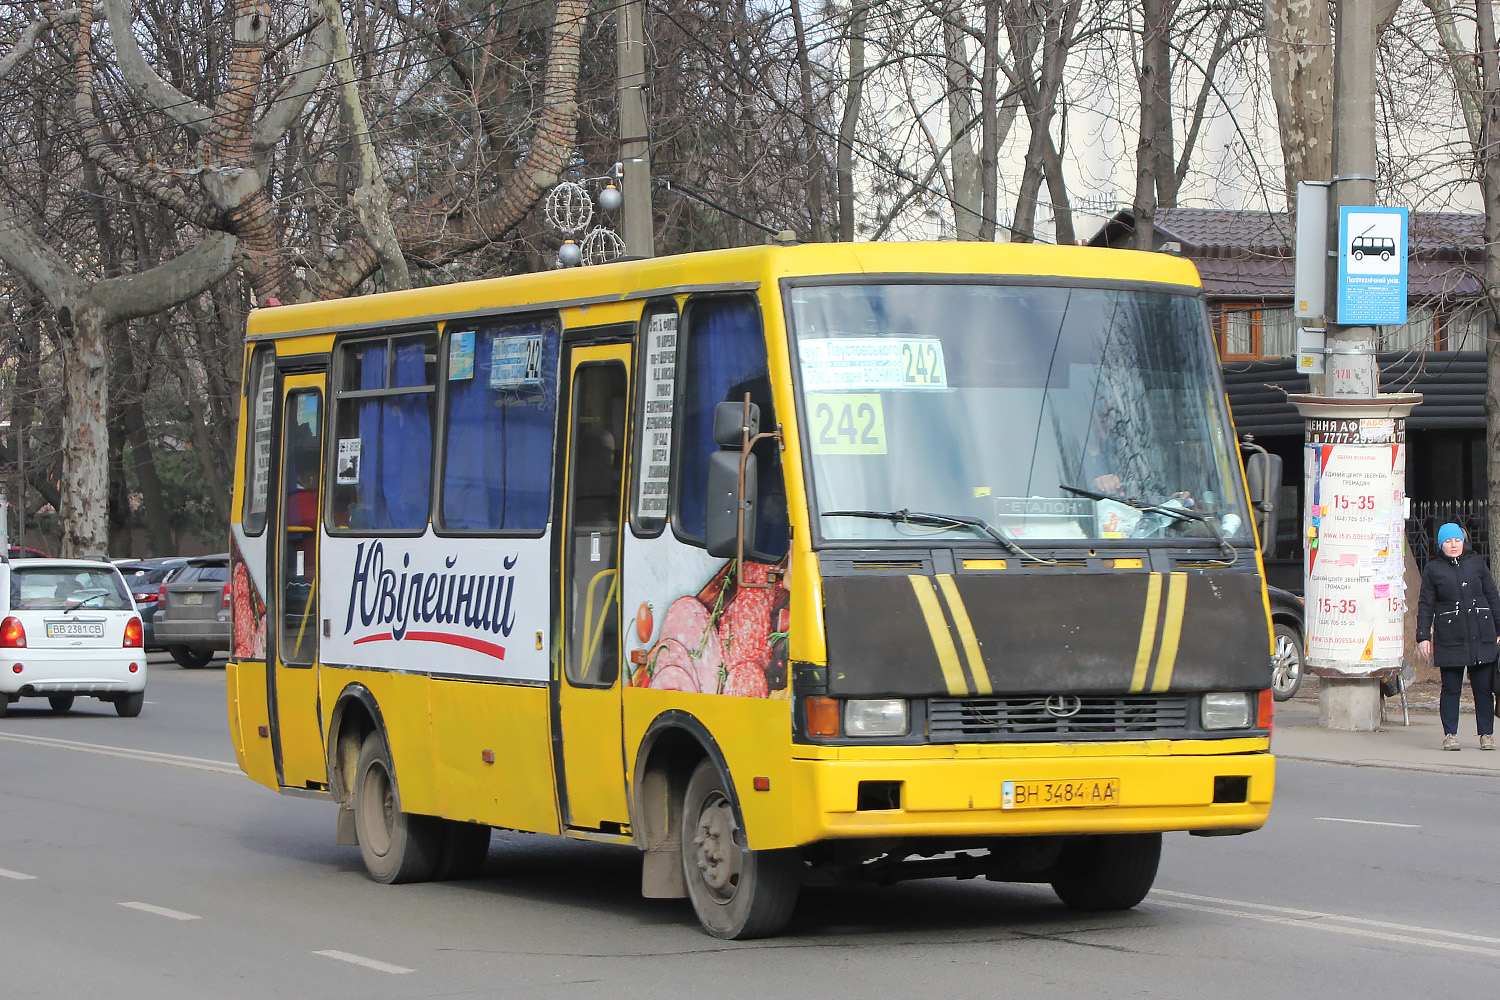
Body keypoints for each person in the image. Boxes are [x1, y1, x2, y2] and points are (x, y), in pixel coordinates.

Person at [1416, 522, 1500, 750]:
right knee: (1451, 688)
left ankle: (1486, 735)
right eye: (1448, 542)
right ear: (1441, 545)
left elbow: (1492, 596)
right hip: (1450, 638)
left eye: (1457, 541)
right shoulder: (1433, 569)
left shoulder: (1476, 563)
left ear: (1464, 542)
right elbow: (1425, 604)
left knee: (1483, 689)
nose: (1454, 545)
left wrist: (1499, 629)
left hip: (1481, 636)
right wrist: (1423, 635)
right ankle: (1450, 735)